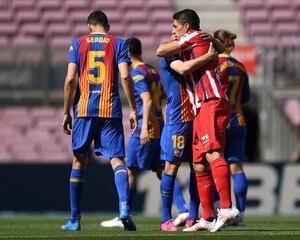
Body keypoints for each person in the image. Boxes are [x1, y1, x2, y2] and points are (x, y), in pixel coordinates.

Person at [156, 9, 240, 232]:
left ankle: (227, 207)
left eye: (175, 26)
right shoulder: (198, 38)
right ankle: (208, 217)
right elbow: (220, 49)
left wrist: (203, 45)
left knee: (212, 152)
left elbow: (160, 50)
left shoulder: (191, 37)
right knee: (198, 161)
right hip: (200, 106)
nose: (172, 30)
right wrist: (210, 43)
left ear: (185, 27)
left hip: (210, 100)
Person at [100, 37, 190, 228]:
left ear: (127, 54)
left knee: (129, 169)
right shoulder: (152, 70)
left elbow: (147, 100)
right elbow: (164, 96)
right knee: (161, 170)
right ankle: (183, 209)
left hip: (146, 126)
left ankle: (124, 213)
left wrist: (142, 130)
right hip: (158, 126)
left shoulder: (138, 73)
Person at [61, 10, 137, 231]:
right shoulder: (119, 43)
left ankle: (74, 220)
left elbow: (69, 79)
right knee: (117, 160)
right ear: (108, 26)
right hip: (109, 109)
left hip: (84, 109)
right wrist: (133, 109)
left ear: (89, 27)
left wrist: (66, 111)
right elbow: (124, 76)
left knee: (78, 161)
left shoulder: (78, 43)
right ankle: (124, 208)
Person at [158, 34, 220, 231]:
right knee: (171, 167)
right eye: (173, 30)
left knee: (198, 166)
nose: (175, 33)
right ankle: (166, 219)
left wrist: (208, 37)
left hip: (195, 116)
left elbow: (219, 49)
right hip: (177, 120)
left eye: (177, 29)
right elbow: (183, 69)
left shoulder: (190, 52)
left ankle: (193, 216)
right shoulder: (170, 52)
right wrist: (206, 58)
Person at [214, 29, 250, 226]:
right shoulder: (241, 67)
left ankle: (222, 210)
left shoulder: (216, 64)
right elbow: (246, 98)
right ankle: (241, 215)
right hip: (239, 120)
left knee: (215, 164)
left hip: (220, 120)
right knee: (236, 166)